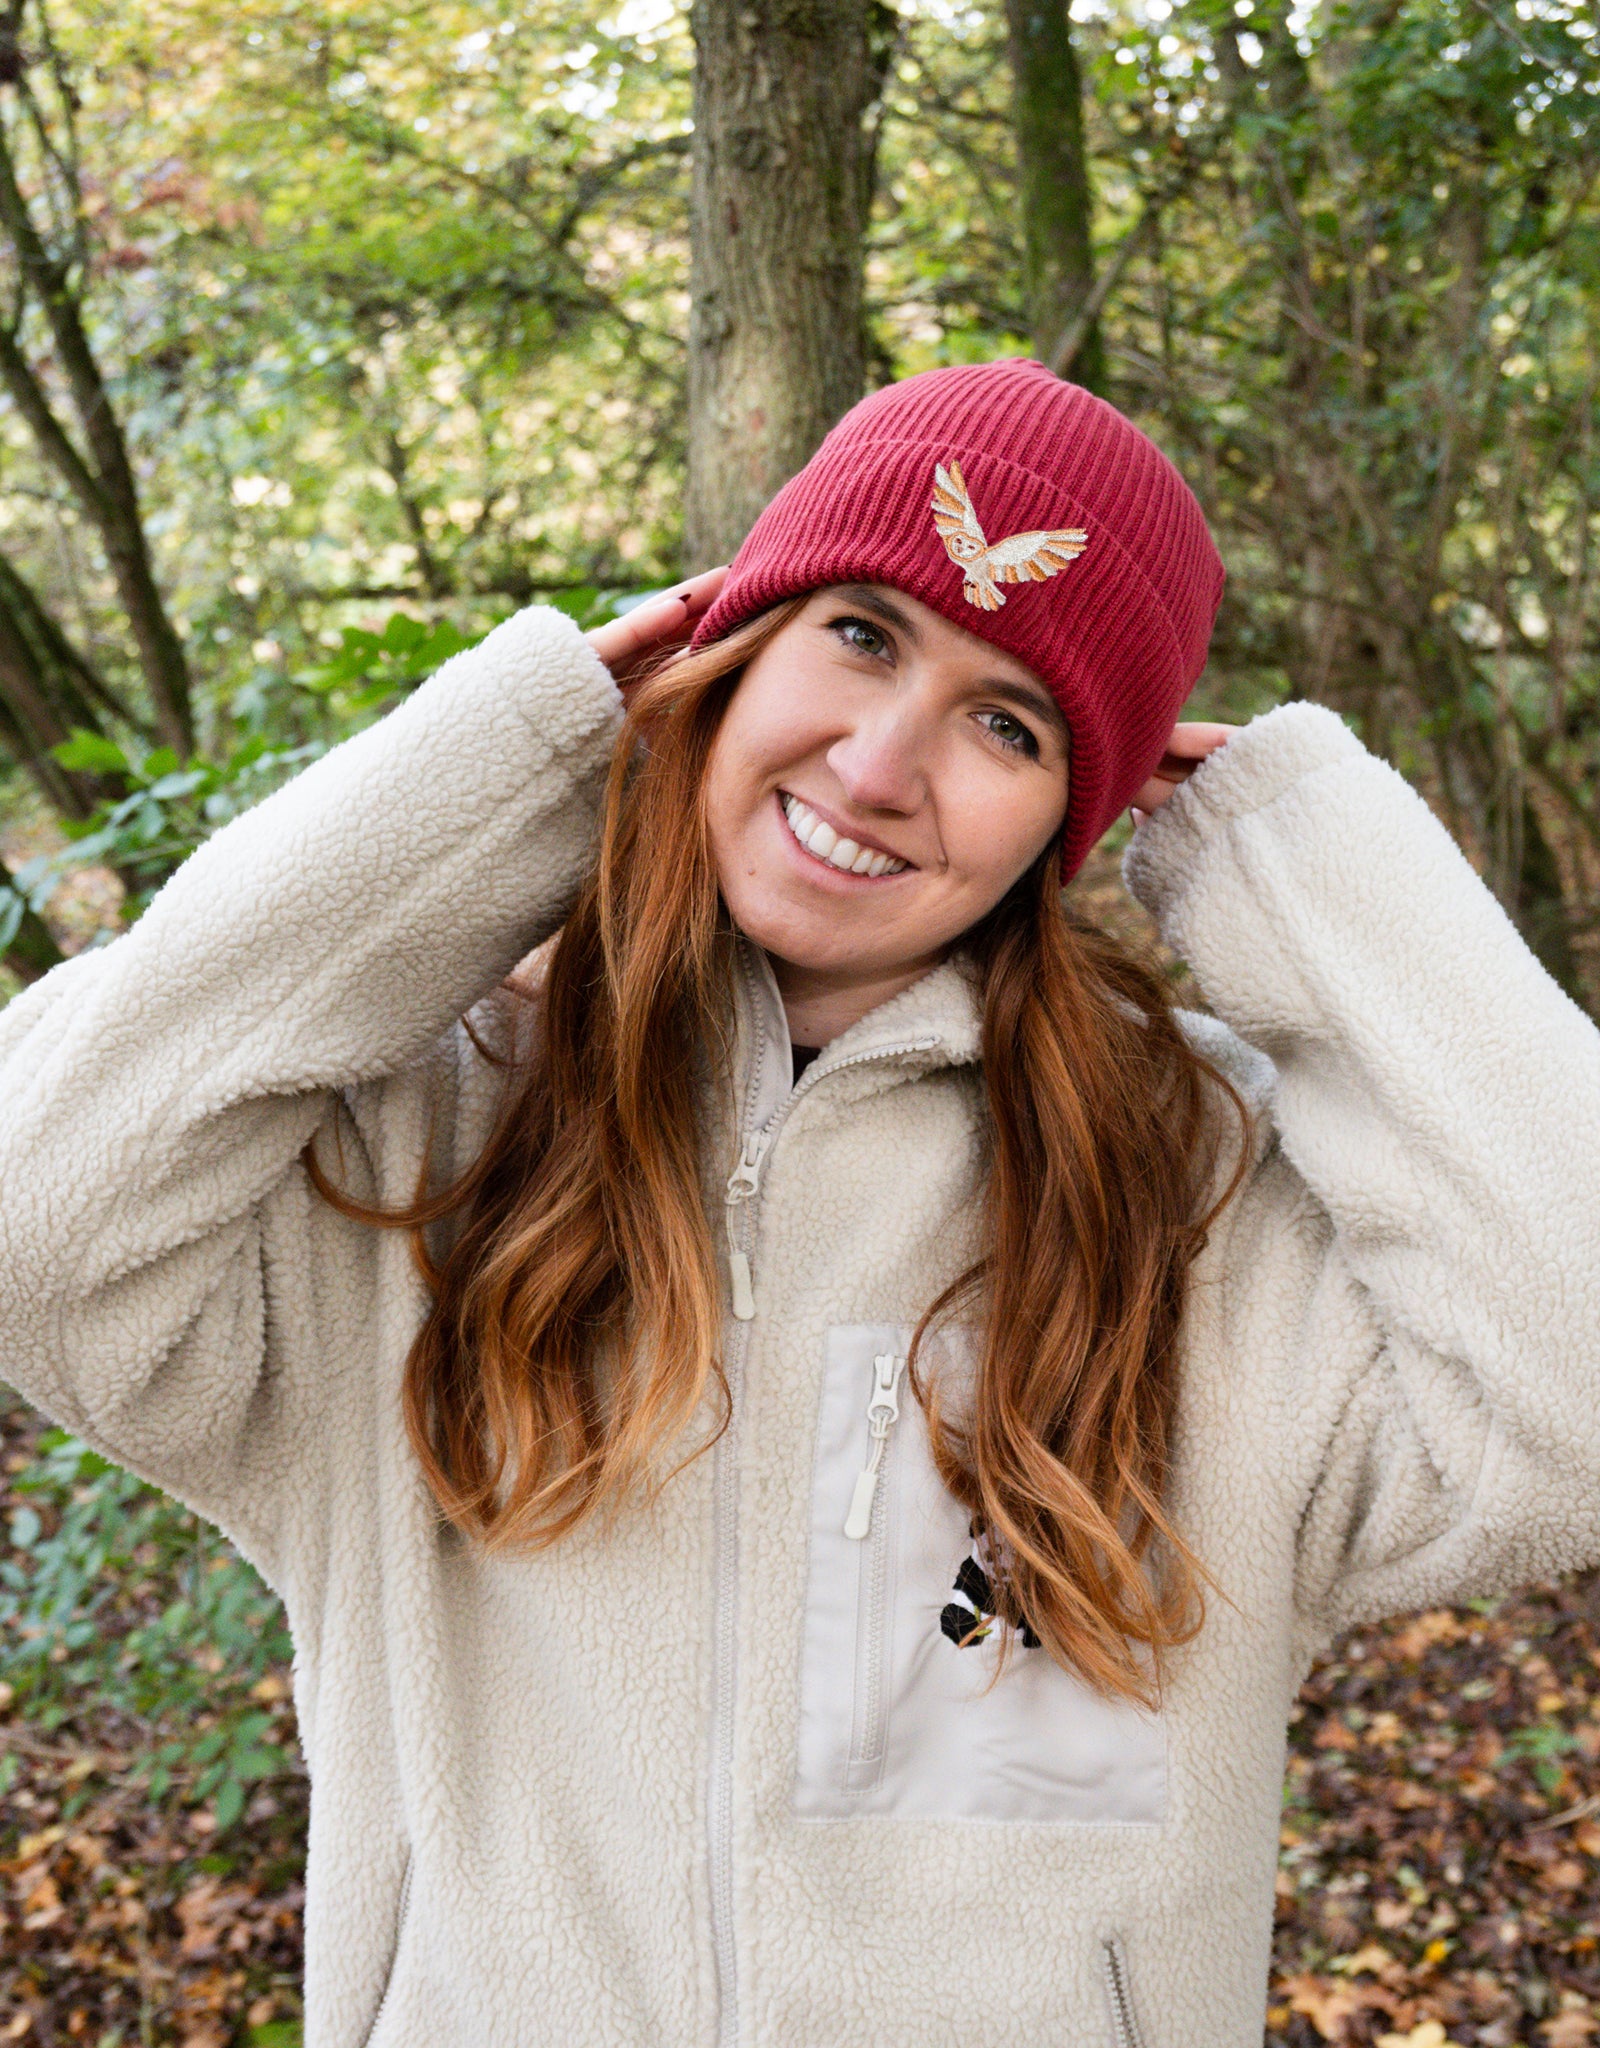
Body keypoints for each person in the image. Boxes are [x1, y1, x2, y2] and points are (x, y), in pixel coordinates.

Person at [0, 359, 1596, 2048]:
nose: (882, 760)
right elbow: (40, 1212)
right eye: (857, 632)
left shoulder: (1197, 1198)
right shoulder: (418, 1143)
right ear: (723, 645)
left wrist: (1303, 867)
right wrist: (508, 778)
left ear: (1081, 810)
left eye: (1012, 722)